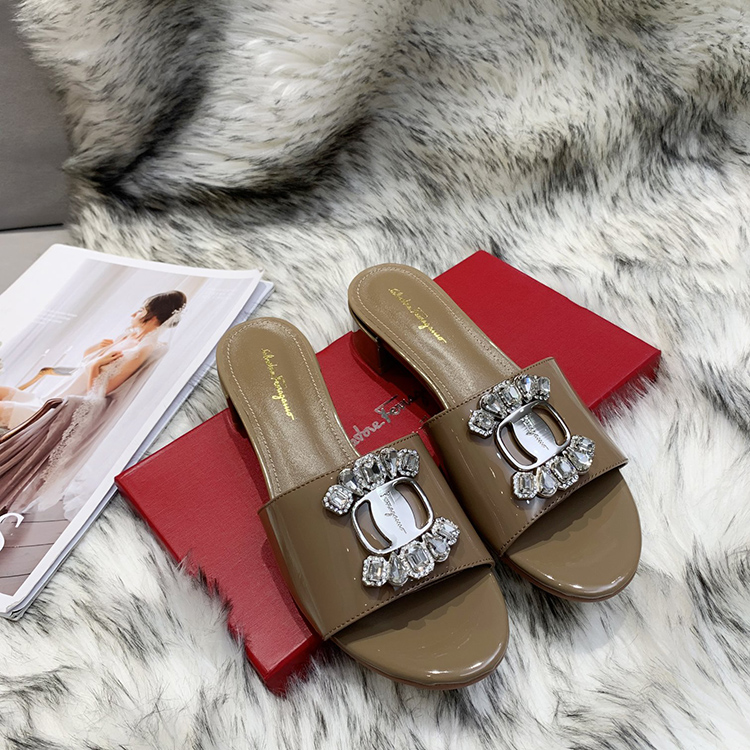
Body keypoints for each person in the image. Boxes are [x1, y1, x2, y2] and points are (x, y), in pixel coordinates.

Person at [0, 290, 187, 515]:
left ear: (154, 317)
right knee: (4, 391)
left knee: (3, 408)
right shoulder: (129, 337)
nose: (133, 314)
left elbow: (99, 394)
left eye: (140, 311)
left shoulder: (146, 349)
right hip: (55, 395)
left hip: (64, 408)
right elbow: (85, 362)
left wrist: (95, 365)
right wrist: (96, 350)